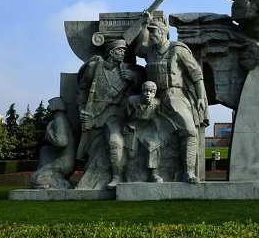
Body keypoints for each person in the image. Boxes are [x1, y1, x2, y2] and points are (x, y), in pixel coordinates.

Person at [135, 15, 209, 183]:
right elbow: (139, 48)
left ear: (163, 33)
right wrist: (145, 23)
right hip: (154, 99)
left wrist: (200, 97)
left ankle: (189, 172)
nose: (151, 36)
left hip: (175, 97)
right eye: (150, 33)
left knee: (189, 131)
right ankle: (154, 174)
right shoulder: (150, 51)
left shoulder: (177, 49)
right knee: (151, 138)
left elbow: (196, 74)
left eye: (153, 33)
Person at [77, 39, 145, 189]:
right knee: (90, 154)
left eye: (124, 51)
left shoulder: (127, 70)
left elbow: (144, 82)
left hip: (115, 115)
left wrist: (133, 78)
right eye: (120, 50)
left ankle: (117, 177)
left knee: (116, 142)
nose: (123, 53)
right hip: (94, 116)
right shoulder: (95, 67)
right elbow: (82, 90)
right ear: (111, 52)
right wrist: (81, 110)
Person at [30, 97, 76, 189]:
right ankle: (61, 182)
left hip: (64, 163)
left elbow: (61, 142)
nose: (48, 107)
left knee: (35, 179)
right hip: (68, 162)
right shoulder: (64, 119)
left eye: (50, 104)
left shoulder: (59, 120)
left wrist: (49, 132)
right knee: (45, 150)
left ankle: (63, 185)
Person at [125, 81, 164, 183]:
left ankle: (154, 174)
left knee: (153, 146)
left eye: (151, 92)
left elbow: (158, 119)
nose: (148, 94)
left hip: (146, 130)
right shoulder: (131, 101)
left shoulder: (157, 103)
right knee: (129, 154)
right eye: (146, 91)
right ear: (141, 91)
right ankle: (123, 175)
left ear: (154, 93)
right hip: (131, 128)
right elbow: (124, 117)